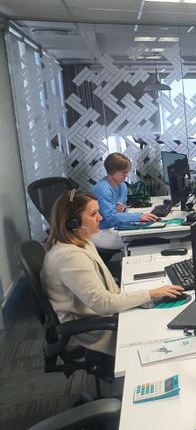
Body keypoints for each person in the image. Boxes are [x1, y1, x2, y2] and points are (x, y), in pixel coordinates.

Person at [41, 189, 183, 356]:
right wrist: (151, 293)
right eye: (93, 214)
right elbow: (103, 304)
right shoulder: (70, 257)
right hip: (94, 331)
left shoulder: (79, 240)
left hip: (101, 314)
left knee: (162, 319)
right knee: (164, 336)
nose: (100, 218)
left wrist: (144, 296)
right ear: (73, 222)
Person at [91, 152, 158, 249]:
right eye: (123, 172)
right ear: (112, 171)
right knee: (145, 238)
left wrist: (123, 210)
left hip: (114, 226)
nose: (126, 175)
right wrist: (139, 217)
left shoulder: (122, 185)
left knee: (148, 233)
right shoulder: (102, 189)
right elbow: (110, 217)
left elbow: (122, 210)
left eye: (127, 172)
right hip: (100, 231)